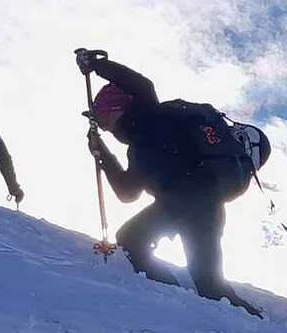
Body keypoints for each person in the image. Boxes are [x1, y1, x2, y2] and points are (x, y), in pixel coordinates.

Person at [76, 51, 262, 317]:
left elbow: (141, 85)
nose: (100, 123)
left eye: (100, 114)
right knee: (206, 284)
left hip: (193, 199)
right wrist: (102, 153)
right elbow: (128, 193)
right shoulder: (137, 149)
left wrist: (97, 65)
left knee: (133, 240)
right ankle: (179, 300)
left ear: (117, 107)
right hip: (196, 204)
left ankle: (174, 297)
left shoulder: (151, 114)